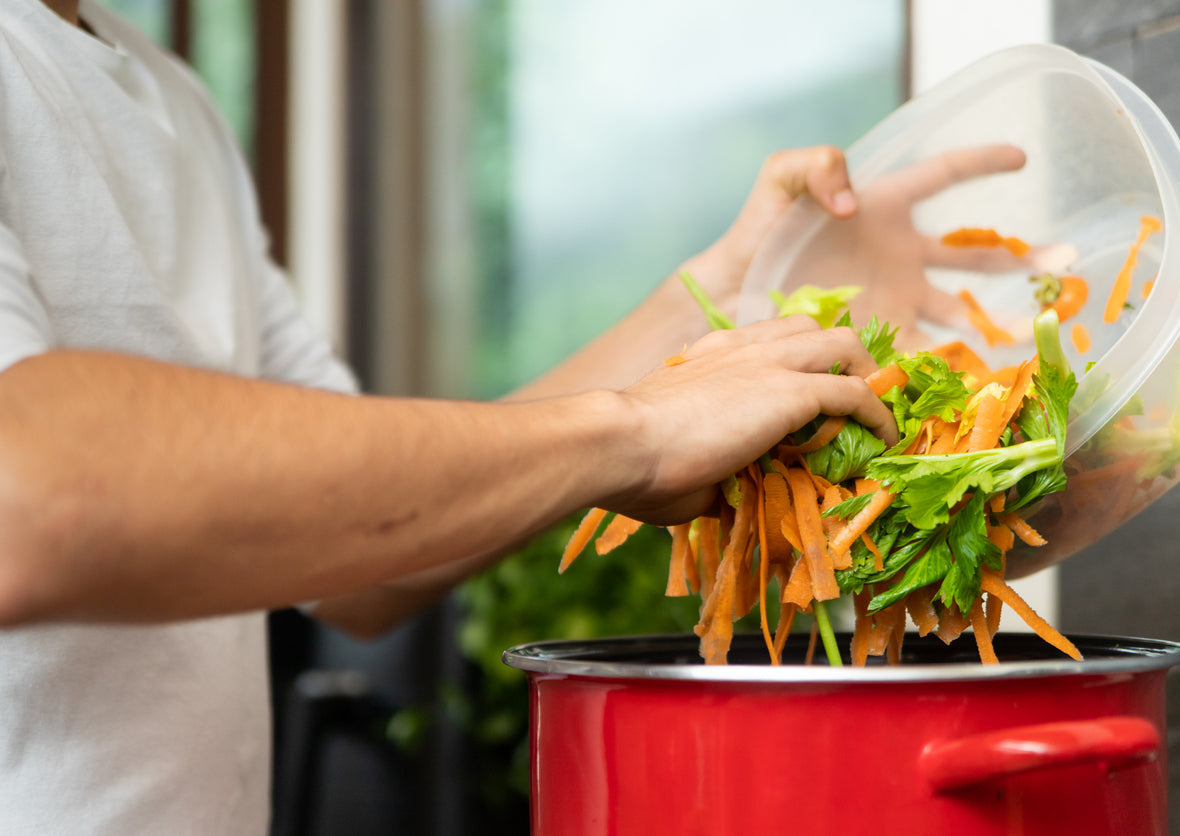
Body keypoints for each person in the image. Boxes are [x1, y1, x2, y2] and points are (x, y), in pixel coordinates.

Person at [0, 1, 1028, 832]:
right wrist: (632, 433)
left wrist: (737, 297)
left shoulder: (170, 99)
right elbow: (27, 494)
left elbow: (363, 551)